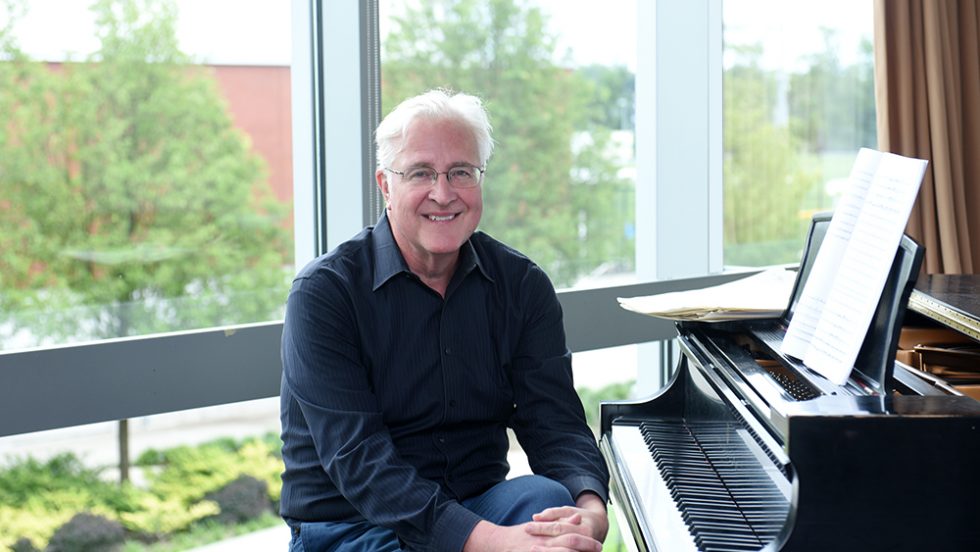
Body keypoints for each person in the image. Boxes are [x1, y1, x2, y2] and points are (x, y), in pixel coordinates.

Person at [279, 88, 609, 552]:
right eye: (421, 173)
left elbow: (554, 420)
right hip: (352, 527)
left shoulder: (521, 285)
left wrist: (590, 511)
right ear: (385, 185)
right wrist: (494, 542)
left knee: (551, 502)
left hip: (476, 505)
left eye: (461, 172)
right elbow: (360, 462)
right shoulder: (325, 293)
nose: (443, 192)